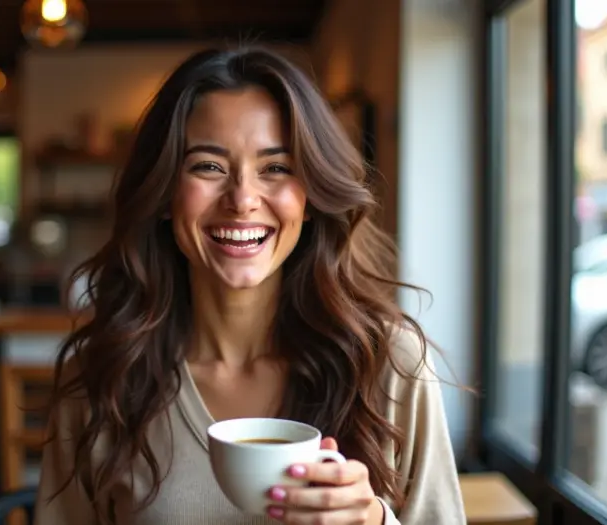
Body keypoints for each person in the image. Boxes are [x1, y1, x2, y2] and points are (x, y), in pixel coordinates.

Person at [35, 46, 467, 525]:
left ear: (310, 197)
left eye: (276, 168)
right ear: (163, 195)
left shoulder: (390, 364)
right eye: (209, 166)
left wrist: (375, 521)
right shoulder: (99, 379)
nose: (242, 199)